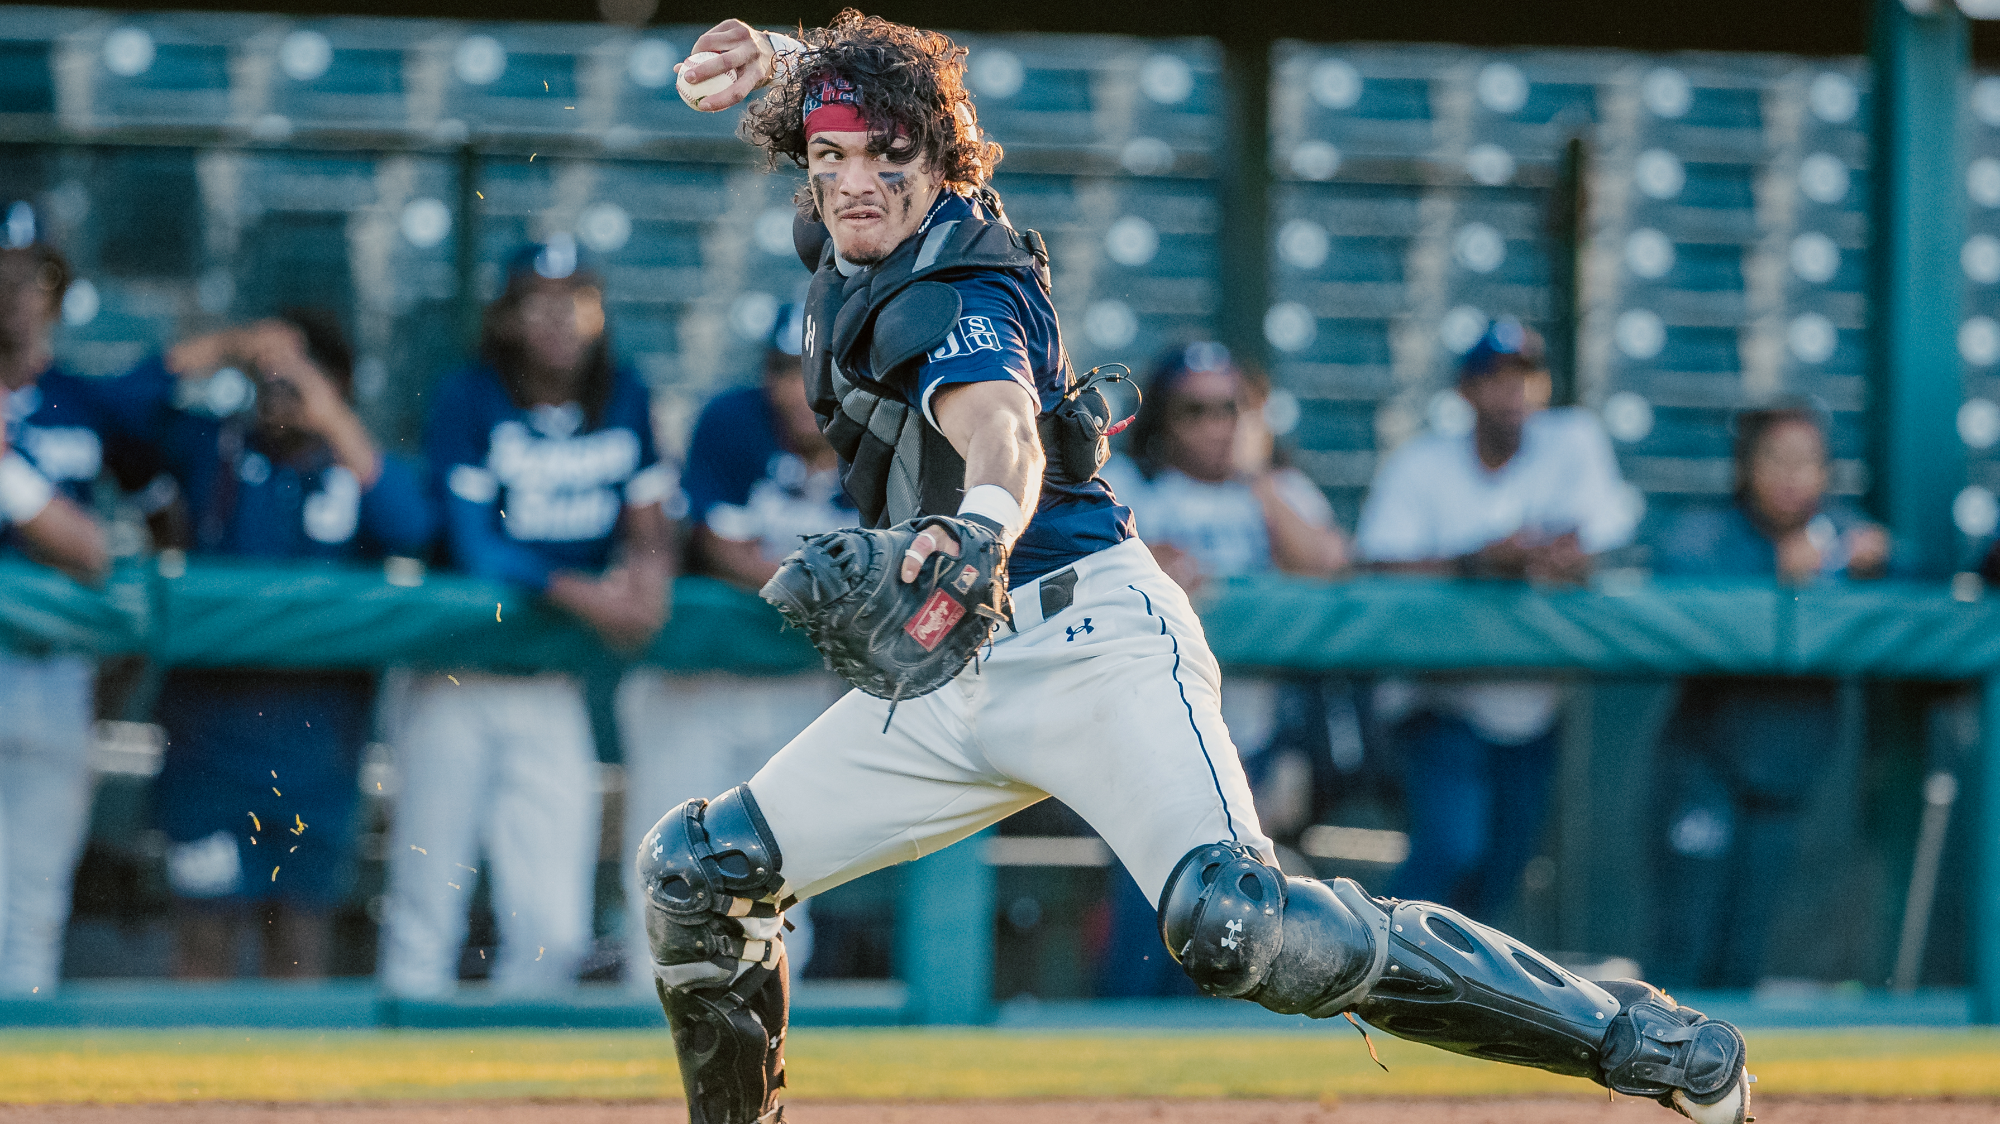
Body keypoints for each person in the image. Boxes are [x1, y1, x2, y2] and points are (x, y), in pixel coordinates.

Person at [640, 19, 1748, 1124]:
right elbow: (861, 122)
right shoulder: (852, 231)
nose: (855, 182)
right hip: (948, 669)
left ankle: (1640, 1038)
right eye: (830, 157)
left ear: (940, 159)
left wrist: (978, 526)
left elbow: (1004, 434)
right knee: (699, 873)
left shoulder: (964, 288)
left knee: (1236, 923)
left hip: (1087, 641)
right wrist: (791, 65)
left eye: (887, 155)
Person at [84, 312, 432, 978]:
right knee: (202, 945)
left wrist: (330, 416)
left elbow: (412, 528)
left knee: (297, 950)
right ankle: (193, 1089)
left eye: (303, 380)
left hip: (316, 759)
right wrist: (221, 348)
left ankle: (294, 1090)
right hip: (206, 753)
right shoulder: (210, 449)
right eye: (272, 378)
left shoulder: (351, 465)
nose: (283, 393)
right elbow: (109, 414)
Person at [378, 237, 675, 997]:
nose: (561, 319)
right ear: (508, 317)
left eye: (578, 300)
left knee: (553, 932)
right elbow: (479, 548)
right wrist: (592, 595)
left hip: (551, 682)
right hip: (454, 677)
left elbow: (648, 514)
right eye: (541, 303)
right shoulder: (469, 395)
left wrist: (648, 569)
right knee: (424, 914)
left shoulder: (624, 391)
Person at [1356, 320, 1636, 926]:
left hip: (1530, 707)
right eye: (1496, 378)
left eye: (1526, 376)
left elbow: (1609, 540)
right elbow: (1375, 565)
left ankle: (1449, 1004)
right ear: (1466, 390)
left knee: (1502, 872)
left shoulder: (1572, 441)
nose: (1512, 392)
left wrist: (1566, 558)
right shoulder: (1423, 463)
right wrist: (1478, 560)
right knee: (1453, 846)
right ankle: (1376, 961)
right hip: (1437, 700)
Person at [1096, 341, 1353, 996]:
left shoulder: (1278, 488)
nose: (1218, 425)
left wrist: (1256, 473)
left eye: (1232, 408)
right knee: (1152, 895)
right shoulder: (1132, 484)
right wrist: (1147, 557)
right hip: (1151, 738)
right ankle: (1123, 1033)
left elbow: (1327, 563)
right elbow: (1075, 562)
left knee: (1242, 902)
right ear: (1165, 420)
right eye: (1197, 410)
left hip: (1259, 735)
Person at [615, 306, 848, 990]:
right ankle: (644, 1021)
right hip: (697, 682)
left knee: (788, 879)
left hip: (802, 688)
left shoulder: (877, 439)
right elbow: (721, 547)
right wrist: (821, 586)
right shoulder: (732, 421)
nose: (799, 387)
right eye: (784, 370)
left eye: (816, 371)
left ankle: (774, 1035)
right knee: (669, 871)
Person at [1649, 404, 1887, 988]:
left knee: (1746, 950)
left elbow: (1919, 575)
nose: (1790, 476)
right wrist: (1770, 568)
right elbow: (1672, 568)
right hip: (1704, 766)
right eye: (1775, 459)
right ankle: (1652, 1067)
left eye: (1806, 462)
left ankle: (1720, 1075)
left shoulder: (1840, 539)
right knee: (1686, 938)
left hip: (1788, 776)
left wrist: (1873, 561)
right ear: (1745, 467)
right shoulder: (1709, 536)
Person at [0, 233, 110, 996]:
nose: (13, 292)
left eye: (31, 276)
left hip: (50, 676)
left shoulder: (83, 401)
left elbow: (99, 551)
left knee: (29, 914)